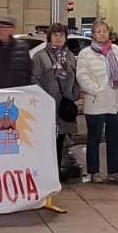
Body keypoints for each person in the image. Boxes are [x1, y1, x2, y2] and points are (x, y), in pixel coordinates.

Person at [76, 20, 118, 183]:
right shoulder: (86, 53)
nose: (102, 34)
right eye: (98, 31)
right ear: (93, 34)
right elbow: (82, 76)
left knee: (114, 137)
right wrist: (96, 90)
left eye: (104, 31)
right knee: (94, 138)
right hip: (96, 101)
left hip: (116, 100)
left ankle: (113, 170)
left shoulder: (115, 50)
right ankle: (94, 171)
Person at [33, 24, 80, 179]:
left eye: (61, 35)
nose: (58, 38)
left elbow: (75, 76)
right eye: (55, 35)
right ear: (49, 37)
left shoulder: (69, 56)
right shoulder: (40, 56)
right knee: (47, 139)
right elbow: (34, 79)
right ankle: (46, 172)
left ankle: (57, 171)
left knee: (61, 138)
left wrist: (74, 94)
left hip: (64, 104)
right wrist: (43, 98)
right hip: (47, 104)